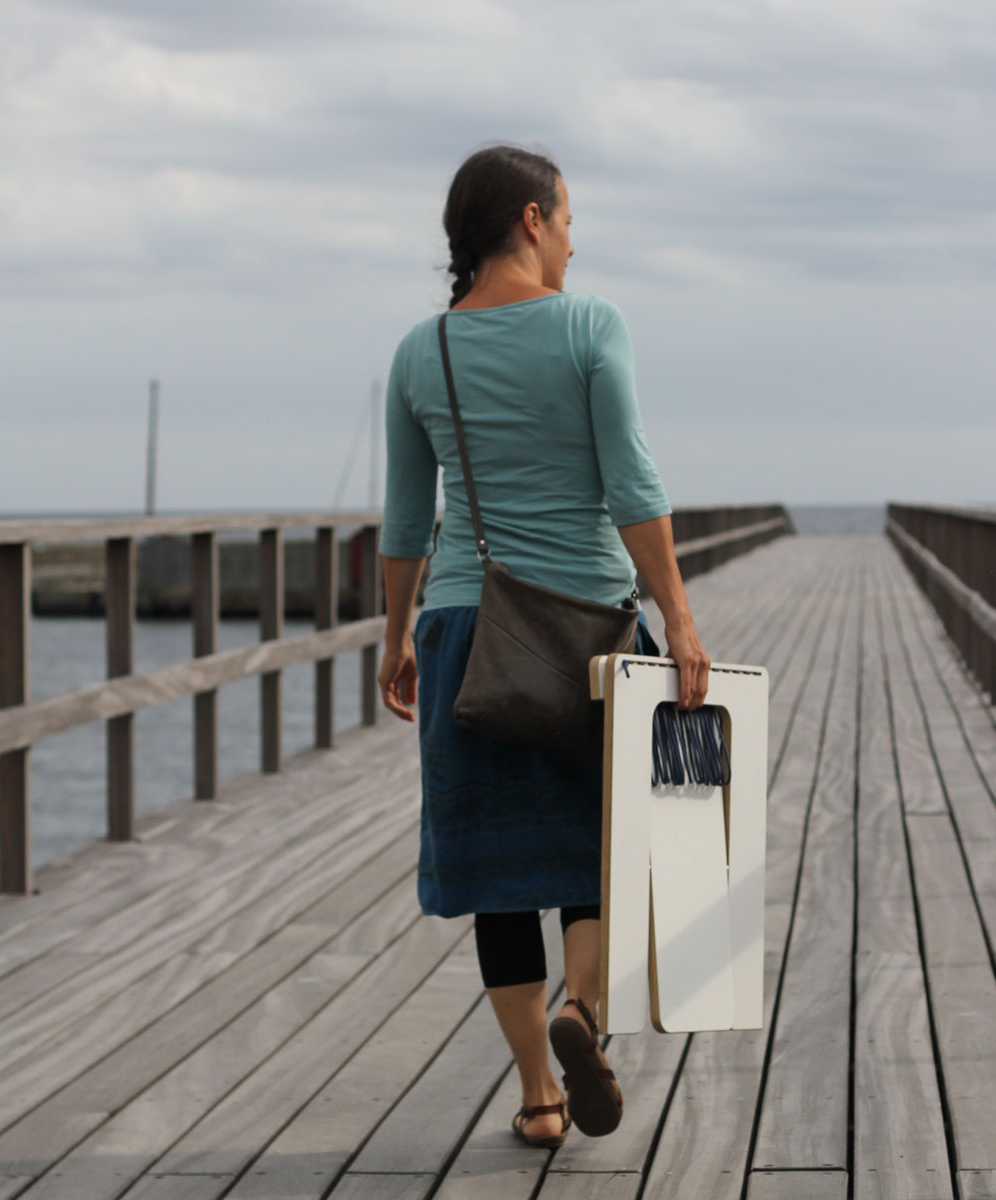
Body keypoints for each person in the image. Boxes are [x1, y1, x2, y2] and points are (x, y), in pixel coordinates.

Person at [377, 144, 710, 1149]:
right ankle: (583, 1008)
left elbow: (406, 521)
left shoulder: (421, 353)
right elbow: (631, 483)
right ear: (532, 219)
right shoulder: (588, 324)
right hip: (589, 630)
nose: (572, 242)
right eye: (567, 222)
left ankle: (538, 1096)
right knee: (599, 844)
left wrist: (396, 636)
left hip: (465, 629)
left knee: (497, 874)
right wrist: (679, 618)